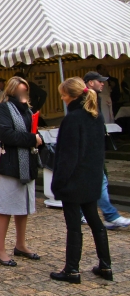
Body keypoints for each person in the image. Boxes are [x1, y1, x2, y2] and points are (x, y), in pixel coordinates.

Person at [50, 77, 112, 283]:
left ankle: (72, 269)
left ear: (72, 96)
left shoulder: (73, 119)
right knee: (95, 221)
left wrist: (59, 182)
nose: (62, 97)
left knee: (74, 226)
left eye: (64, 94)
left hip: (74, 181)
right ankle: (105, 265)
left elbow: (68, 156)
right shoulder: (95, 116)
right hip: (91, 178)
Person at [0, 76, 43, 267]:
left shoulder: (27, 110)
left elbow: (32, 131)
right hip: (9, 165)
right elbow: (5, 134)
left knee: (23, 207)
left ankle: (20, 244)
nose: (23, 94)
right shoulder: (3, 109)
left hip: (26, 164)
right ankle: (0, 250)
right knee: (5, 208)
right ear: (12, 91)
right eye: (20, 91)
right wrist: (31, 139)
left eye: (25, 91)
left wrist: (37, 138)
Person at [83, 71, 130, 230]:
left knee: (96, 181)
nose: (103, 84)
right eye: (99, 81)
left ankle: (85, 213)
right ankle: (110, 215)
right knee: (99, 180)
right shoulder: (86, 100)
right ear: (90, 83)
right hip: (90, 149)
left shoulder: (95, 98)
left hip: (94, 148)